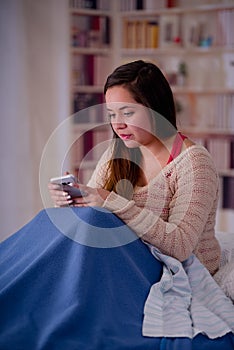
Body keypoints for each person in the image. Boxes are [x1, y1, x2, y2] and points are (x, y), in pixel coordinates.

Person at [48, 59, 221, 276]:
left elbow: (180, 246)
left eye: (127, 113)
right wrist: (72, 201)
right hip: (128, 263)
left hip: (182, 272)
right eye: (112, 114)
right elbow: (91, 217)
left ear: (155, 108)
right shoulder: (117, 151)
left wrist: (110, 201)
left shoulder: (194, 163)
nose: (117, 124)